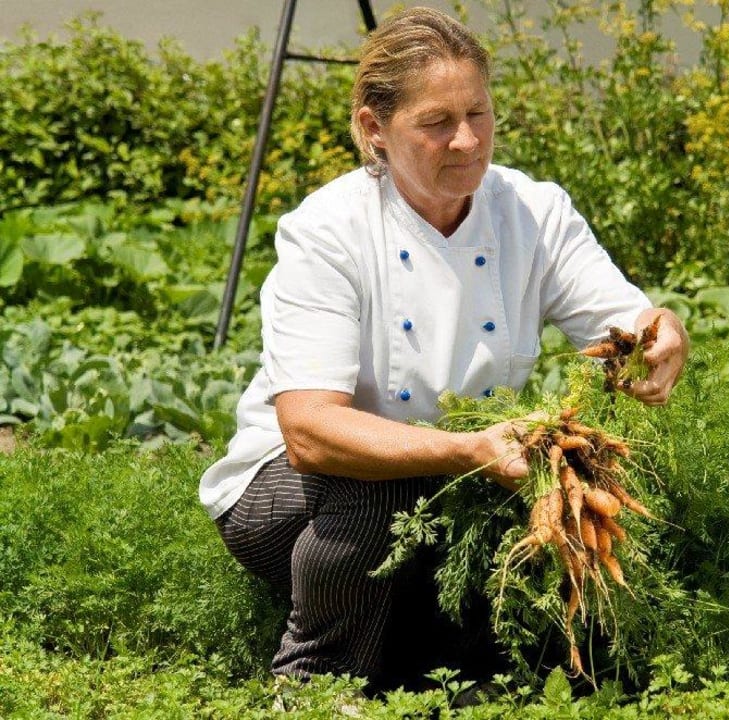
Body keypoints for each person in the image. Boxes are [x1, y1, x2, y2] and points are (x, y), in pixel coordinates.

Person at [199, 5, 689, 689]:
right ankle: (315, 683)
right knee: (383, 495)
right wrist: (469, 449)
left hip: (463, 474)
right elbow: (310, 432)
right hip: (286, 491)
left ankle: (467, 663)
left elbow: (618, 321)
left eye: (479, 115)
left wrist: (656, 334)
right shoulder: (328, 230)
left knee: (575, 489)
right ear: (374, 127)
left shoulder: (532, 210)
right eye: (436, 123)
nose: (466, 141)